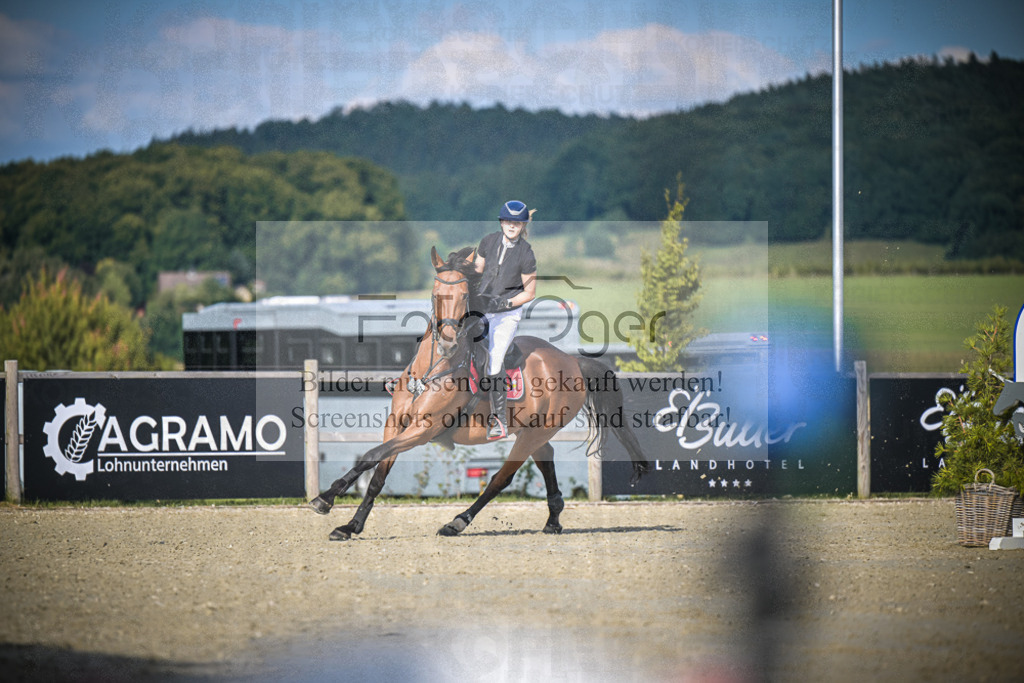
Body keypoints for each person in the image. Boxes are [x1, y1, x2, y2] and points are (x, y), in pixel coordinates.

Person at [474, 200, 537, 440]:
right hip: (481, 307)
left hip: (506, 314)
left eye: (517, 223)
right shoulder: (488, 241)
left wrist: (505, 303)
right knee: (447, 333)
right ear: (501, 222)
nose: (512, 226)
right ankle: (412, 380)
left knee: (495, 359)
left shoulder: (526, 253)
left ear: (522, 226)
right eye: (508, 221)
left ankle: (498, 419)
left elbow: (529, 293)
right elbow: (477, 270)